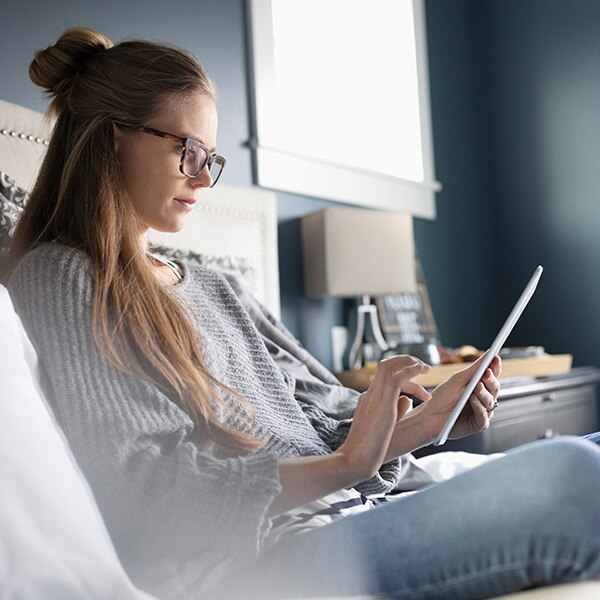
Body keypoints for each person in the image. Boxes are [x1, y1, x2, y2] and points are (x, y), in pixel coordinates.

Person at [5, 27, 600, 600]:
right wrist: (347, 464)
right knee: (574, 476)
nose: (202, 179)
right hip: (269, 558)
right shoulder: (63, 278)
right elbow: (142, 491)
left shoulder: (219, 286)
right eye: (188, 150)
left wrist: (419, 428)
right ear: (113, 136)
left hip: (350, 515)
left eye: (210, 159)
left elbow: (316, 429)